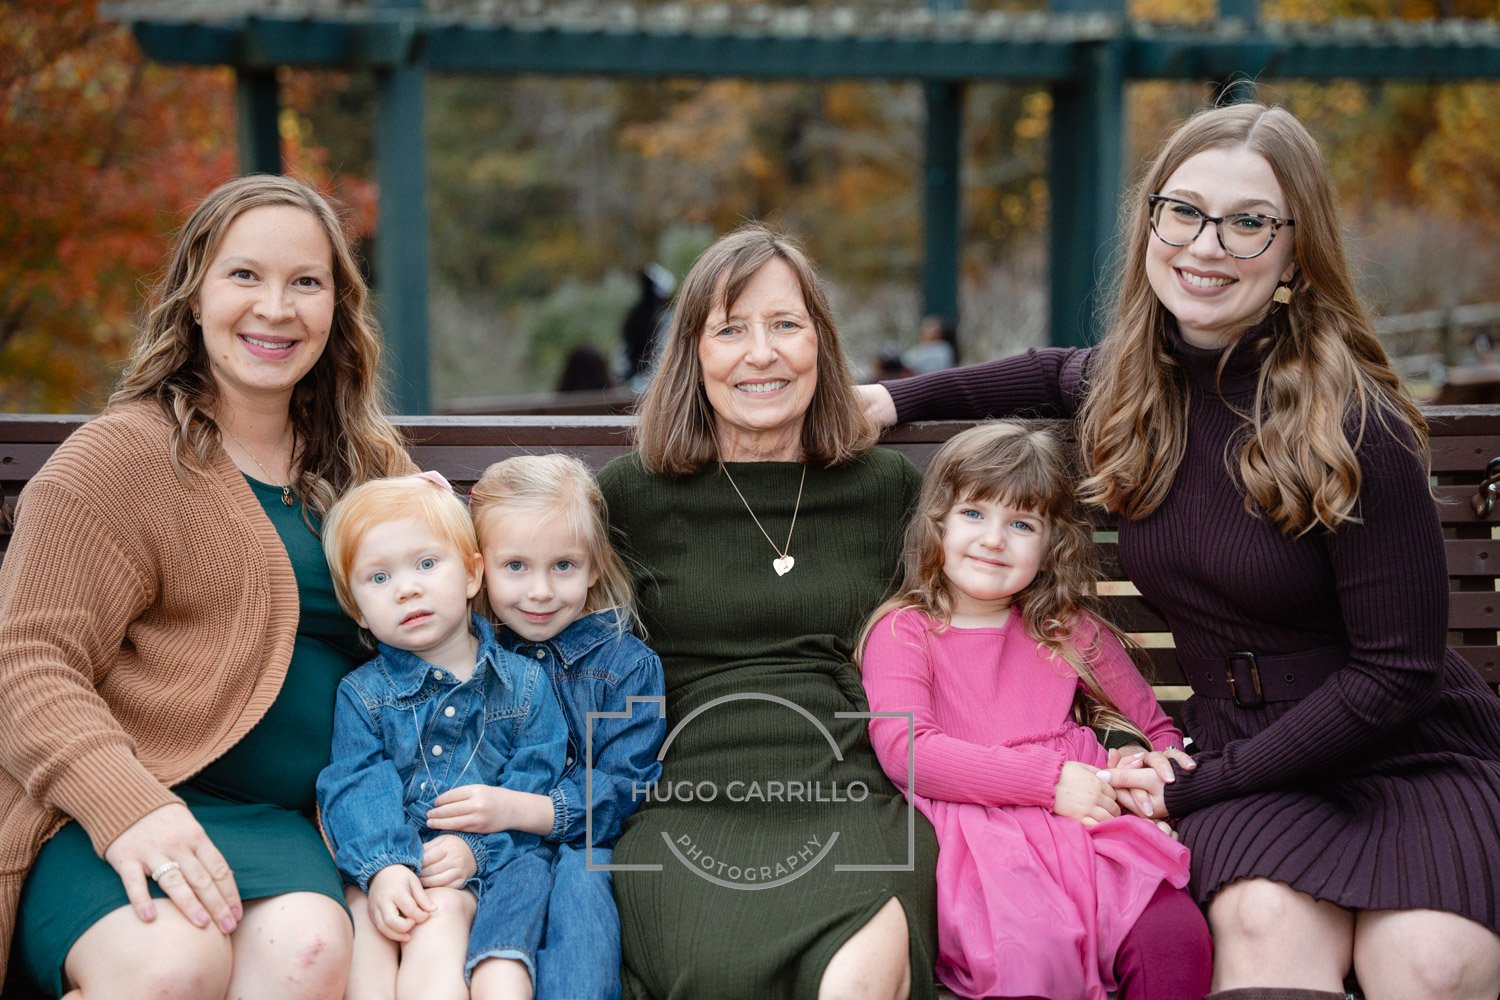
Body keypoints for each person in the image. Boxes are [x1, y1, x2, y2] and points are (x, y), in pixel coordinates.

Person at [861, 101, 1500, 1000]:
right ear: (1152, 221)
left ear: (1294, 249)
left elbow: (1396, 674)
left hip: (1402, 754)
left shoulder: (1354, 420)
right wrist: (891, 403)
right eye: (1185, 212)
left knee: (1431, 966)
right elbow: (1046, 372)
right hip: (1245, 753)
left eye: (1248, 224)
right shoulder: (1134, 386)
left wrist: (1202, 782)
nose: (1206, 247)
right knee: (1261, 927)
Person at [0, 173, 412, 998]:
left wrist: (448, 537)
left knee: (309, 953)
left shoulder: (366, 464)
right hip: (116, 805)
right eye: (245, 276)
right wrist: (129, 808)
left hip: (283, 827)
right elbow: (25, 662)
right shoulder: (118, 461)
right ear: (194, 295)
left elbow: (461, 620)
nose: (276, 307)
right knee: (171, 968)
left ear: (337, 308)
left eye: (306, 283)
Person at [596, 223, 940, 999]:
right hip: (679, 791)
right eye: (731, 330)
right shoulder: (630, 496)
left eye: (786, 325)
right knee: (712, 968)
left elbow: (969, 637)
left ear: (820, 343)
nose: (762, 353)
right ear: (694, 354)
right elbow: (525, 609)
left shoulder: (884, 489)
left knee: (864, 967)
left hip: (851, 787)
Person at [858, 422, 1211, 1000]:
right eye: (974, 514)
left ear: (1050, 546)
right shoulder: (906, 631)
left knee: (1173, 937)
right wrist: (1049, 782)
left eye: (1021, 524)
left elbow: (1156, 729)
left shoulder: (1068, 630)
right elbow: (907, 751)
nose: (994, 539)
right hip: (987, 846)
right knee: (1032, 956)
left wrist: (1137, 760)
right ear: (937, 522)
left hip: (1095, 830)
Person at [317, 472, 568, 1000]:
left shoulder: (523, 685)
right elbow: (356, 783)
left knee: (439, 918)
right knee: (365, 927)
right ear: (358, 609)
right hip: (384, 864)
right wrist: (385, 868)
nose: (407, 587)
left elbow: (536, 784)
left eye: (427, 564)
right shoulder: (363, 695)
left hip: (487, 872)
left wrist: (475, 848)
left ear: (473, 574)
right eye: (378, 579)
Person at [457, 453, 667, 1000]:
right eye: (516, 567)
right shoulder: (469, 657)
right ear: (478, 568)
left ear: (595, 566)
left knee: (584, 905)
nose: (541, 592)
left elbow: (627, 784)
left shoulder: (626, 664)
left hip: (586, 846)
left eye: (564, 566)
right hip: (490, 851)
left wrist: (526, 809)